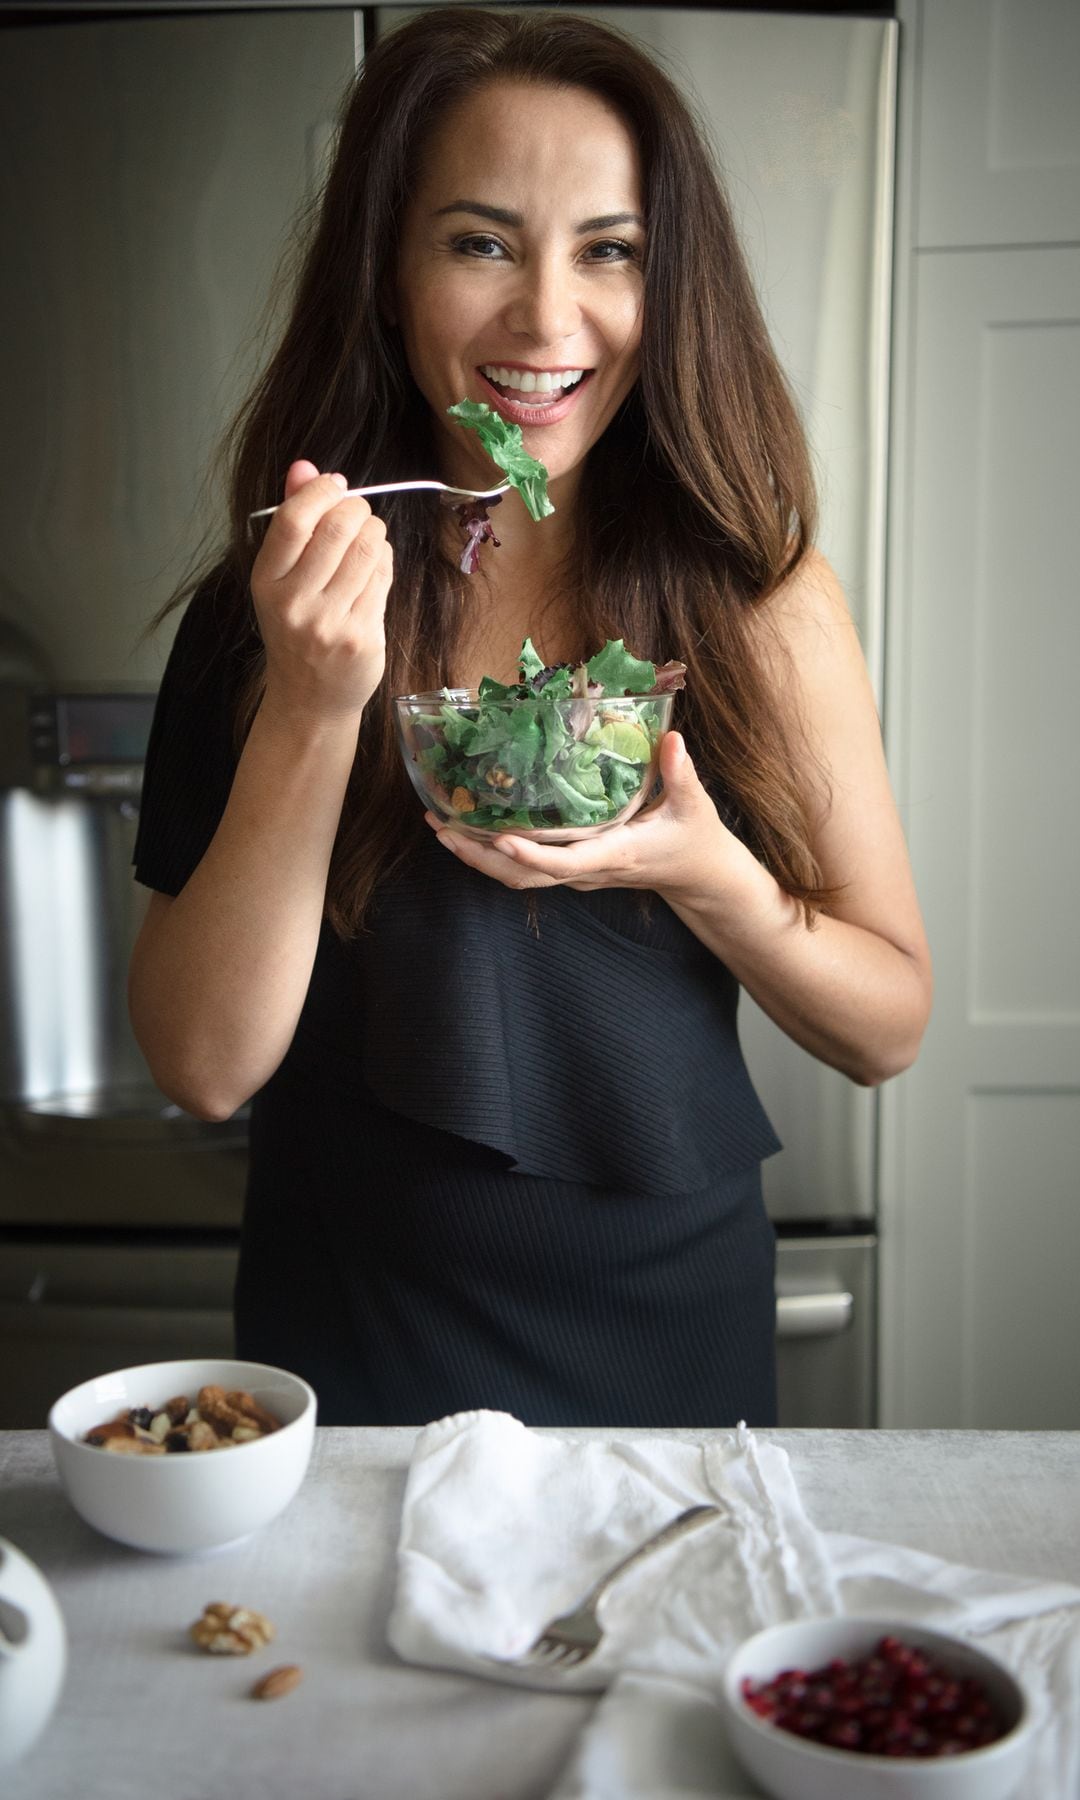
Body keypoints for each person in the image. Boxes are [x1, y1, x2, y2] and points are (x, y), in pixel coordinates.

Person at [129, 7, 932, 1429]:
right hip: (354, 1342)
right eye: (481, 242)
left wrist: (708, 874)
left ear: (666, 281)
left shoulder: (760, 598)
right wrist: (319, 704)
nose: (549, 319)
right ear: (388, 276)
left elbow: (888, 1025)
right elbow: (202, 1065)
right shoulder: (276, 607)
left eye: (609, 249)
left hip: (669, 1339)